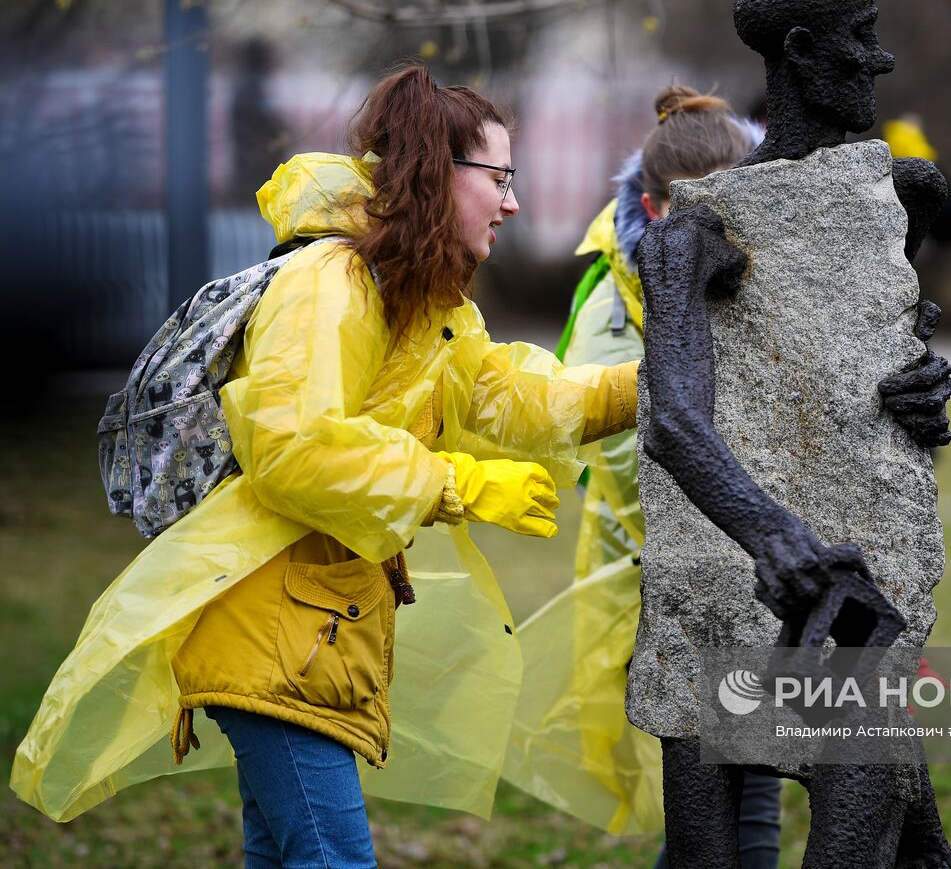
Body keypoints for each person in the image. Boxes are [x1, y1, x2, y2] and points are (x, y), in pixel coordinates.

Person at [11, 63, 639, 867]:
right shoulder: (332, 282)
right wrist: (459, 483)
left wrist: (653, 386)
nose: (513, 202)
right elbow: (294, 445)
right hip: (271, 629)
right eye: (501, 178)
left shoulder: (423, 301)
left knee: (281, 854)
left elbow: (514, 395)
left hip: (307, 627)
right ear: (434, 174)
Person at [504, 86, 783, 866]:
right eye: (712, 212)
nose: (736, 232)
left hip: (762, 573)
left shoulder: (785, 253)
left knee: (735, 801)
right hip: (662, 580)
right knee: (725, 803)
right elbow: (627, 453)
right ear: (657, 211)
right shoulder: (614, 306)